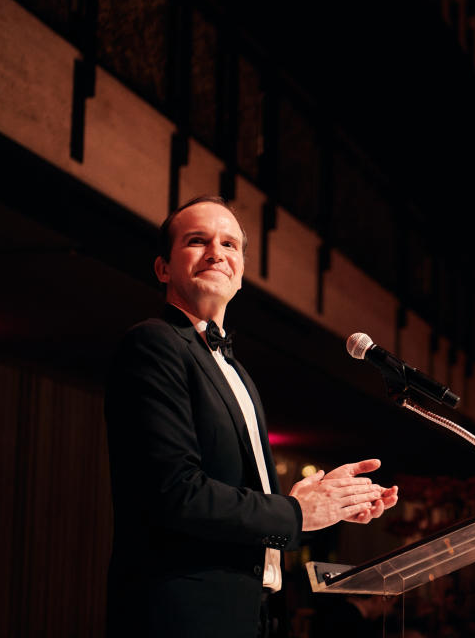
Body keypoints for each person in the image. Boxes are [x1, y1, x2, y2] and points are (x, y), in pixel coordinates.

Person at [105, 196, 399, 638]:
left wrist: (314, 498)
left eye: (230, 244)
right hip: (181, 614)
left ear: (240, 272)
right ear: (163, 268)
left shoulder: (236, 370)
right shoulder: (154, 344)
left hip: (247, 612)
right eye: (196, 241)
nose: (216, 253)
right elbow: (175, 492)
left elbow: (234, 491)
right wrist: (297, 512)